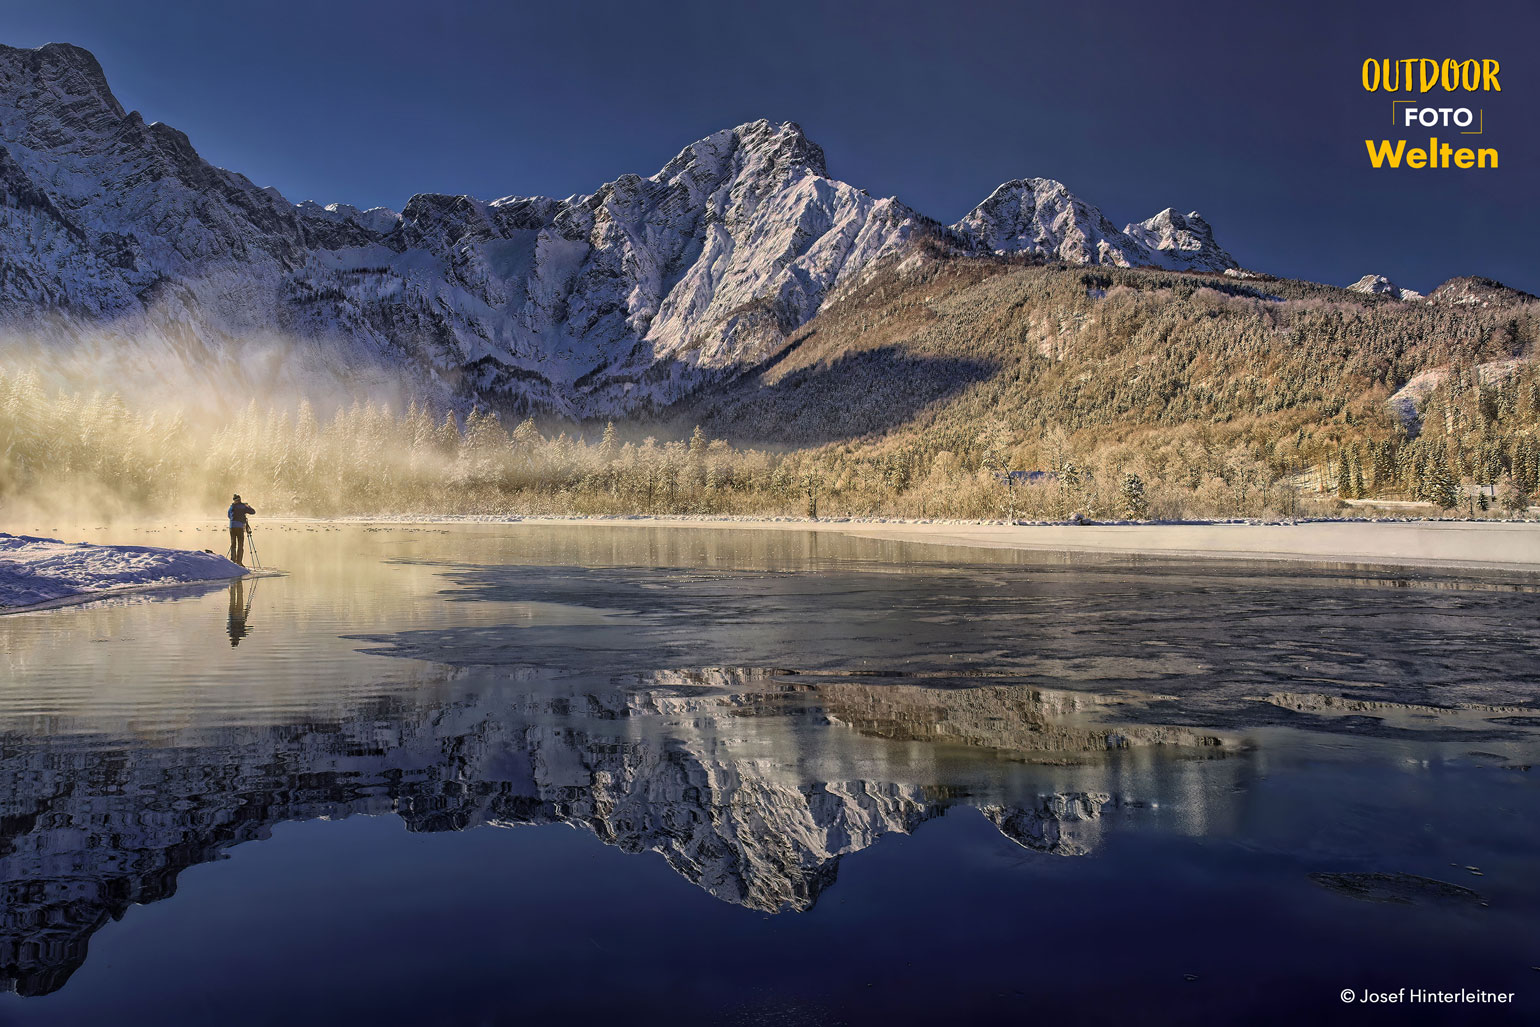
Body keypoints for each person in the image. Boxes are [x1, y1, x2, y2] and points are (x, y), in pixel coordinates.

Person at [227, 494, 256, 566]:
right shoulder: (243, 506)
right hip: (239, 527)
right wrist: (247, 506)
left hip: (232, 527)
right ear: (239, 499)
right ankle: (239, 562)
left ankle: (233, 561)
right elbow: (253, 512)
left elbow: (229, 516)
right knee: (240, 545)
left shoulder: (231, 506)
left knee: (233, 544)